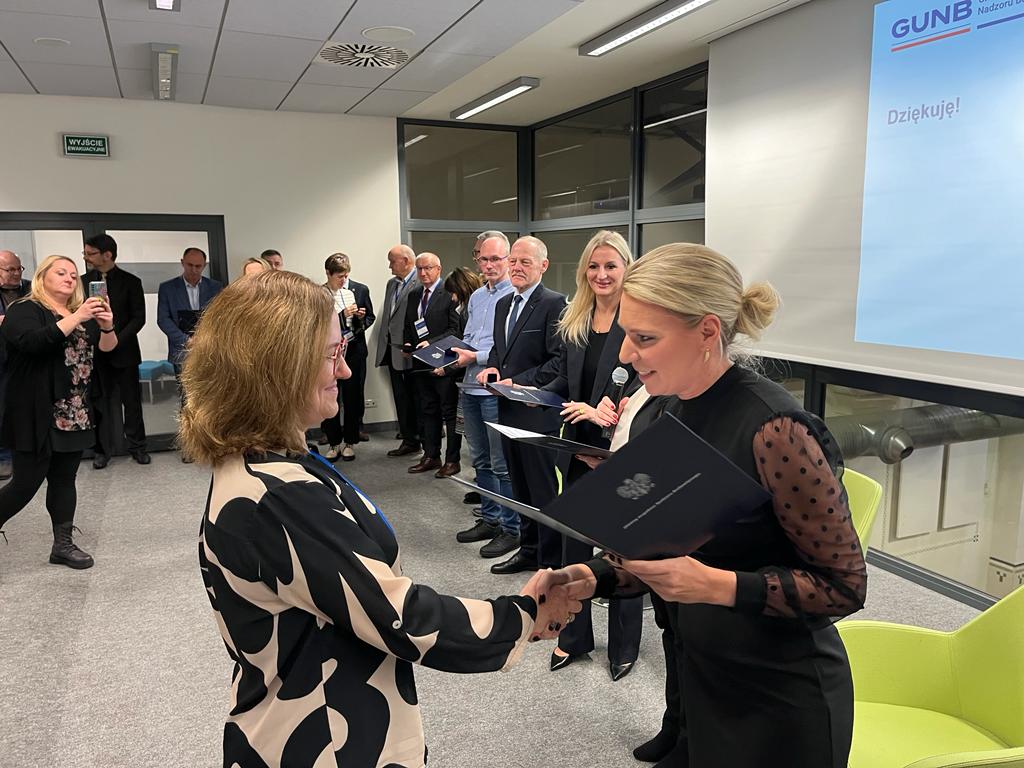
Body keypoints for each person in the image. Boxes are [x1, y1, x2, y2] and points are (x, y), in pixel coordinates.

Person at [180, 270, 580, 768]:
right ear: (278, 368)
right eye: (331, 354)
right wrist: (523, 613)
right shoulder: (279, 495)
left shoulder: (265, 464)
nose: (346, 371)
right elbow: (400, 617)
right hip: (323, 735)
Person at [540, 243, 867, 768]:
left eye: (645, 338)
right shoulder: (661, 415)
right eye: (626, 334)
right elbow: (661, 548)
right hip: (703, 677)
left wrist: (716, 585)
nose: (624, 355)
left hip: (781, 696)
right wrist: (590, 577)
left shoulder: (774, 429)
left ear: (708, 332)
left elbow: (844, 586)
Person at [541, 230, 643, 682]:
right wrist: (533, 394)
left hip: (620, 451)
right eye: (594, 266)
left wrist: (605, 412)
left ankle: (624, 646)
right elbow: (566, 381)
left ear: (626, 269)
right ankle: (574, 636)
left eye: (611, 266)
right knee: (575, 547)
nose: (601, 274)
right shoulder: (576, 319)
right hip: (577, 449)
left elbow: (645, 383)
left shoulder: (639, 320)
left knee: (622, 552)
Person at [0, 255, 118, 568]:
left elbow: (105, 351)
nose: (69, 278)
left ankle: (62, 545)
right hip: (35, 410)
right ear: (43, 277)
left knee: (65, 479)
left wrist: (107, 326)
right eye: (61, 272)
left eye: (73, 275)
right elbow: (33, 342)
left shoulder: (79, 313)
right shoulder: (25, 309)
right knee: (25, 483)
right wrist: (78, 316)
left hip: (74, 410)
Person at [476, 236, 566, 575]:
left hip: (536, 411)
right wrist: (493, 369)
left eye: (525, 262)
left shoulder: (554, 304)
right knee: (520, 488)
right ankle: (529, 551)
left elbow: (558, 361)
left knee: (542, 490)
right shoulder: (503, 303)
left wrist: (519, 381)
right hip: (507, 408)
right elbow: (500, 351)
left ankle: (550, 561)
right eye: (513, 261)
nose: (516, 267)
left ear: (543, 266)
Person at [449, 233, 521, 558]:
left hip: (494, 390)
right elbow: (470, 338)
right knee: (480, 460)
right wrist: (450, 354)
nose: (489, 265)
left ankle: (511, 528)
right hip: (469, 386)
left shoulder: (515, 296)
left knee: (501, 464)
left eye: (496, 259)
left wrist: (474, 356)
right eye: (484, 259)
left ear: (508, 259)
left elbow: (508, 349)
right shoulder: (477, 296)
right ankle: (490, 520)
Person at [81, 233, 149, 468]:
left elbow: (138, 318)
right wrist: (98, 340)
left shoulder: (131, 281)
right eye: (85, 253)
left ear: (107, 255)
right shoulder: (82, 283)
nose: (86, 257)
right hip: (95, 354)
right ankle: (102, 451)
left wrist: (114, 340)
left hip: (125, 352)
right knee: (99, 404)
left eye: (90, 253)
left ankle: (138, 447)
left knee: (132, 403)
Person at [403, 253, 461, 477]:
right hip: (421, 362)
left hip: (445, 361)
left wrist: (432, 343)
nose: (423, 273)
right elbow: (410, 324)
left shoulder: (449, 292)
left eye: (428, 268)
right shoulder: (414, 294)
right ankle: (431, 455)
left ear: (439, 269)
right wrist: (408, 342)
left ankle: (452, 460)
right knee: (427, 410)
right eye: (419, 268)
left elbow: (455, 330)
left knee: (449, 412)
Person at [319, 252, 375, 462]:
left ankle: (350, 441)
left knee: (353, 397)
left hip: (354, 350)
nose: (343, 280)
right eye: (339, 277)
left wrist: (360, 317)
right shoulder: (319, 294)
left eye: (346, 276)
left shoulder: (358, 290)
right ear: (328, 273)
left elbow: (369, 318)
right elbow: (317, 323)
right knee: (329, 396)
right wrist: (342, 316)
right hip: (328, 353)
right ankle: (333, 442)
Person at [375, 244, 421, 458]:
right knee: (401, 397)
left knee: (416, 398)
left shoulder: (419, 282)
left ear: (406, 261)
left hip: (410, 350)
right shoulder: (392, 284)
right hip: (392, 349)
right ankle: (409, 438)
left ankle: (419, 439)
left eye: (392, 261)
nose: (389, 266)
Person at [156, 246, 223, 375]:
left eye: (198, 266)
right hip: (181, 350)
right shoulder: (168, 288)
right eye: (190, 265)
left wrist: (206, 339)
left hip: (209, 349)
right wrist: (186, 341)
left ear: (204, 266)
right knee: (184, 387)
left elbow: (221, 317)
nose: (193, 270)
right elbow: (163, 319)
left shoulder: (215, 287)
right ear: (182, 263)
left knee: (209, 387)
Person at [0, 249, 30, 480]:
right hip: (2, 359)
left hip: (28, 358)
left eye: (19, 268)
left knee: (28, 408)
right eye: (10, 269)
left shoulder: (32, 289)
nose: (16, 273)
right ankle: (4, 458)